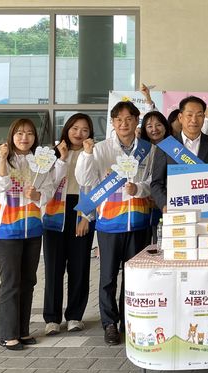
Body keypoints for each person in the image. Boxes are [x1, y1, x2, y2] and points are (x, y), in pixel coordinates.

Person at [75, 101, 154, 345]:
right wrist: (86, 154)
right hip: (110, 222)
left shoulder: (147, 150)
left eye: (128, 119)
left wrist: (137, 188)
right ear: (112, 123)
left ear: (136, 121)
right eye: (118, 120)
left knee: (133, 278)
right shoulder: (100, 149)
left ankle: (128, 321)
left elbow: (152, 181)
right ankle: (109, 324)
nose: (123, 123)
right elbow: (84, 179)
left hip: (139, 222)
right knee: (108, 278)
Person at [0, 118, 56, 350]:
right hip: (7, 230)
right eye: (19, 133)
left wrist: (37, 195)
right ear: (11, 136)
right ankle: (7, 334)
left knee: (28, 280)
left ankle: (23, 330)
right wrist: (4, 162)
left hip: (33, 229)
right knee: (10, 282)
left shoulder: (40, 162)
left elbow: (49, 190)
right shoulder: (0, 161)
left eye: (29, 133)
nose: (24, 138)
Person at [42, 113, 96, 336]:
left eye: (84, 129)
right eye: (75, 128)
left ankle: (75, 316)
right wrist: (61, 158)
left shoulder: (94, 152)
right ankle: (52, 319)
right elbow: (47, 185)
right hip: (55, 211)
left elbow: (95, 186)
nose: (79, 133)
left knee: (79, 266)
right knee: (53, 268)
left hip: (80, 208)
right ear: (67, 129)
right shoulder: (51, 154)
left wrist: (86, 216)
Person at [150, 96, 208, 212]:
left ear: (204, 117)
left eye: (199, 115)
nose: (194, 120)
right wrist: (165, 204)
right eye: (189, 115)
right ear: (180, 117)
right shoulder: (166, 146)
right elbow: (156, 183)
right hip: (176, 211)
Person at [140, 111, 171, 243]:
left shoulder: (174, 146)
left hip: (165, 202)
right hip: (143, 203)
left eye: (158, 125)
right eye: (149, 126)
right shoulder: (140, 149)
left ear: (165, 126)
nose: (154, 129)